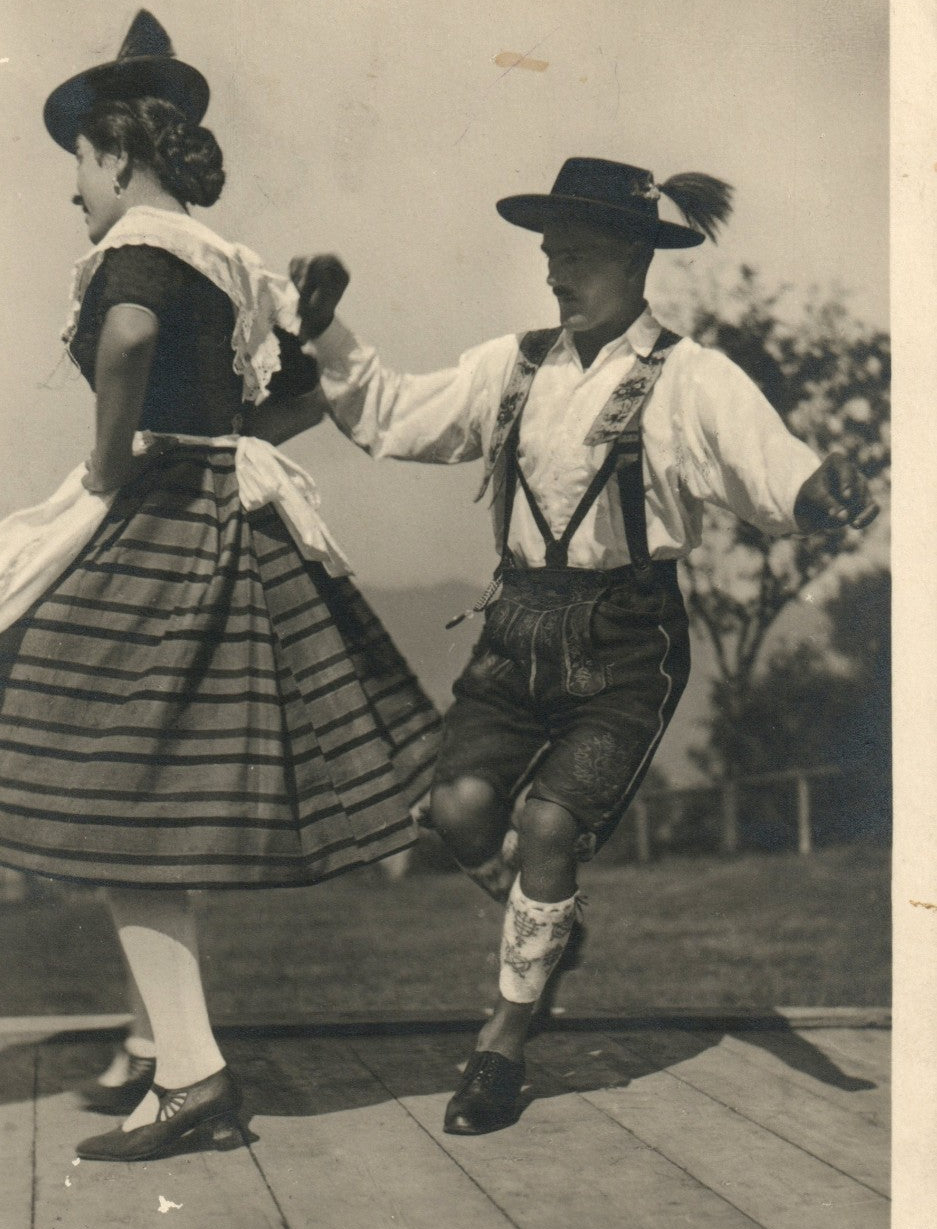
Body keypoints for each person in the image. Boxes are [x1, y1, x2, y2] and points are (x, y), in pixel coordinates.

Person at [287, 155, 879, 1136]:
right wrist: (326, 330)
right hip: (514, 628)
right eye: (550, 253)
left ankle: (502, 1043)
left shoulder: (690, 380)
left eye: (579, 255)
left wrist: (820, 491)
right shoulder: (510, 366)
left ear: (636, 259)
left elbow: (767, 466)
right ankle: (548, 926)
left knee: (552, 827)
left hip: (624, 641)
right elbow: (394, 415)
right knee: (459, 812)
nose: (557, 272)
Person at [0, 11, 442, 1160]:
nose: (73, 193)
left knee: (109, 789)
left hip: (161, 529)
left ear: (116, 155)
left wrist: (104, 460)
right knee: (146, 805)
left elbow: (127, 337)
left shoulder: (135, 243)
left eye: (77, 167)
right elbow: (289, 405)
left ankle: (191, 1076)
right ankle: (156, 1045)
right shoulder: (238, 267)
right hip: (227, 521)